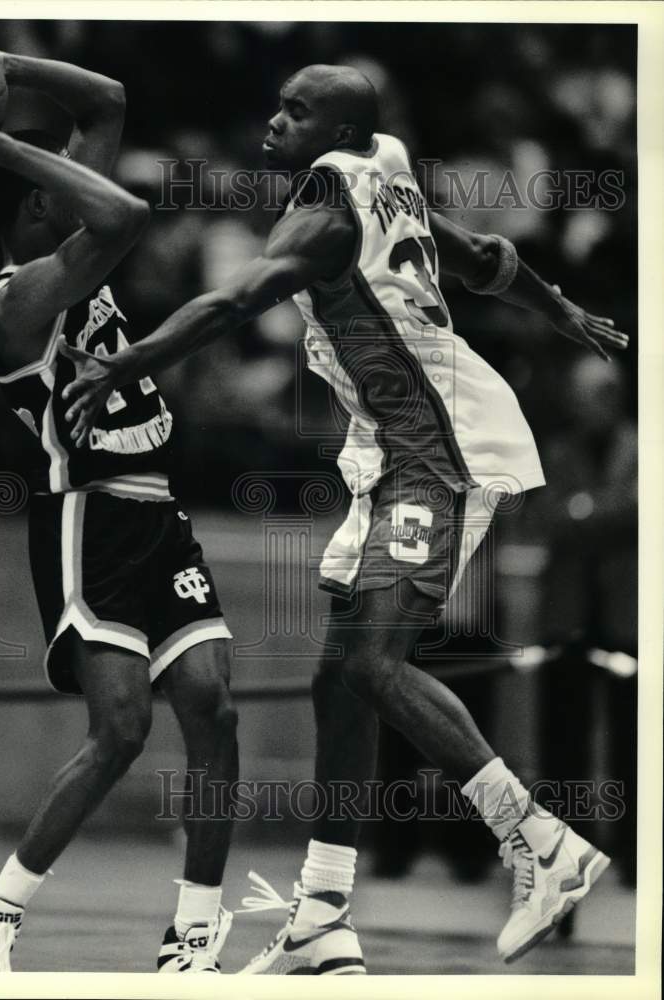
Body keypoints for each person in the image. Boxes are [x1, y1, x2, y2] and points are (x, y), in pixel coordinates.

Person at [57, 64, 628, 973]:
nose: (274, 122)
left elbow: (233, 301)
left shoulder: (323, 218)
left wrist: (122, 368)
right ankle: (323, 910)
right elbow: (481, 257)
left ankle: (545, 846)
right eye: (278, 104)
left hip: (437, 444)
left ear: (345, 134)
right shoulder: (388, 162)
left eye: (299, 113)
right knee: (339, 678)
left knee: (374, 661)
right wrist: (559, 311)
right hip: (395, 443)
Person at [0, 48, 237, 974]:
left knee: (214, 711)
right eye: (54, 180)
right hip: (86, 521)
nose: (71, 182)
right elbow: (126, 212)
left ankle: (193, 944)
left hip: (161, 513)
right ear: (34, 208)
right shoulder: (19, 302)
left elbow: (112, 96)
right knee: (123, 732)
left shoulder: (72, 247)